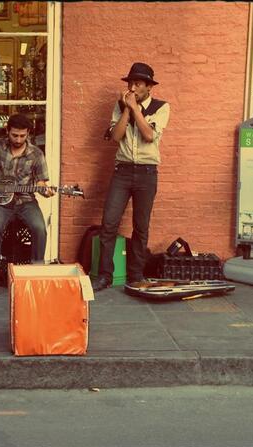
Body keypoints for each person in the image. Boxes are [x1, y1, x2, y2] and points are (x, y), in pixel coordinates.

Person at [92, 62, 170, 291]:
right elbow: (116, 137)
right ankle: (105, 275)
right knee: (109, 223)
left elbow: (148, 135)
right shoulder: (120, 106)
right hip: (123, 172)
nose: (132, 87)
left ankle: (136, 275)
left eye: (137, 83)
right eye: (130, 83)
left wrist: (135, 107)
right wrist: (126, 108)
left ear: (148, 87)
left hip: (147, 173)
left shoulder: (161, 107)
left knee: (141, 226)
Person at [0, 113, 55, 297]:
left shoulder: (36, 154)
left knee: (39, 228)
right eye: (15, 135)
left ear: (28, 133)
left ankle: (37, 272)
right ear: (8, 131)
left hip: (26, 201)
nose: (18, 139)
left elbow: (40, 183)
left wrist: (45, 190)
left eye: (23, 136)